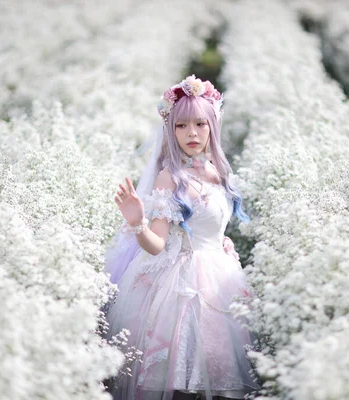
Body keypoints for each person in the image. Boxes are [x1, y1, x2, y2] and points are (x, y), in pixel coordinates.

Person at [105, 75, 260, 400]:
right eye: (182, 126)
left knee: (221, 376)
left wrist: (223, 242)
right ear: (170, 129)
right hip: (182, 282)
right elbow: (156, 244)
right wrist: (138, 223)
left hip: (221, 276)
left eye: (201, 124)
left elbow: (215, 224)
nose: (192, 133)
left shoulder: (220, 174)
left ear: (212, 126)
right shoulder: (169, 178)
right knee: (180, 378)